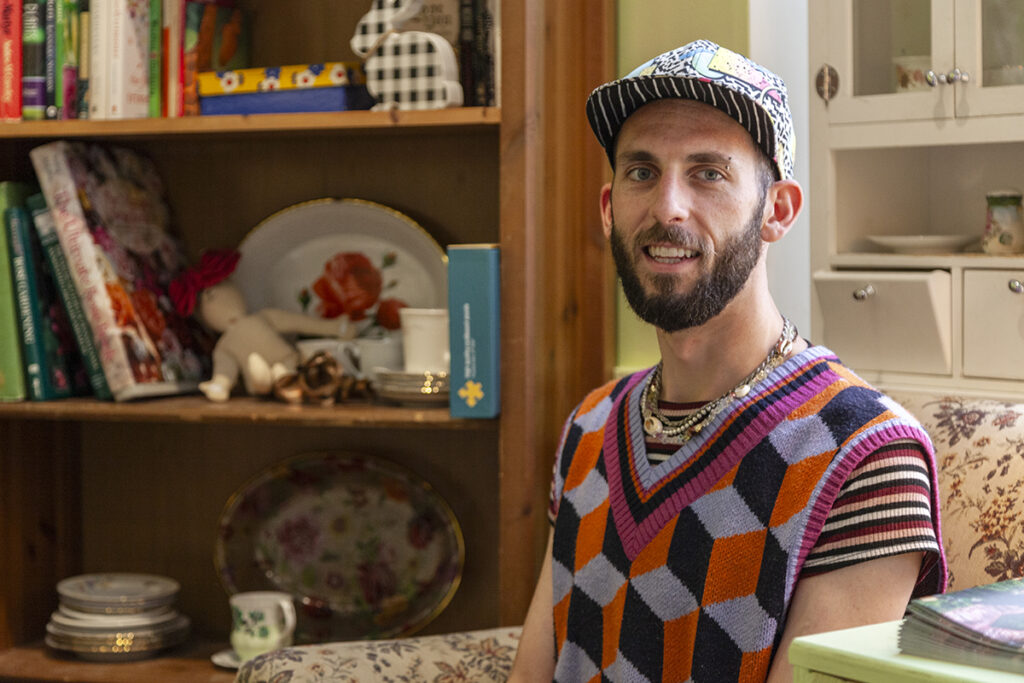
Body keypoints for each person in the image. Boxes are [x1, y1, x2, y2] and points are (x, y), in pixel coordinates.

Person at [508, 40, 947, 683]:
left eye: (709, 173)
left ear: (778, 210)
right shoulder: (590, 425)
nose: (667, 208)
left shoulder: (868, 457)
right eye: (641, 172)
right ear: (609, 210)